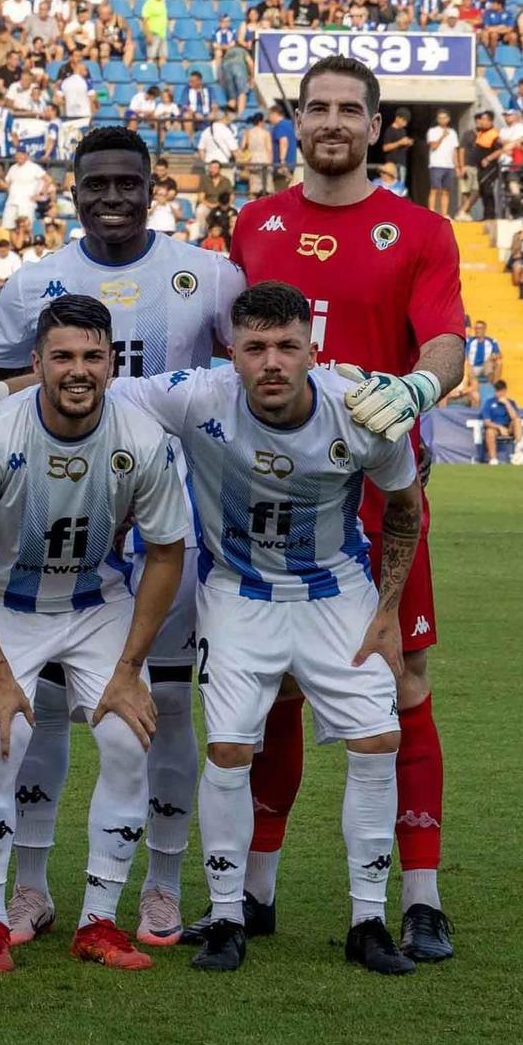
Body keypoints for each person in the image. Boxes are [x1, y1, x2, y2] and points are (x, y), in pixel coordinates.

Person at [0, 125, 243, 948]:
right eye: (96, 184)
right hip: (43, 538)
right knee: (31, 718)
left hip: (164, 533)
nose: (112, 197)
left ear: (155, 186)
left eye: (129, 182)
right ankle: (31, 890)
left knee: (167, 713)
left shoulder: (209, 275)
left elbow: (247, 373)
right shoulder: (36, 281)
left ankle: (159, 887)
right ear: (70, 190)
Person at [93, 282, 423, 974]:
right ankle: (225, 915)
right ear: (232, 353)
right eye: (255, 347)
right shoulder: (196, 394)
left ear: (313, 349)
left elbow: (403, 506)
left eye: (286, 346)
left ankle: (368, 918)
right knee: (231, 749)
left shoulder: (359, 411)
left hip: (336, 591)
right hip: (239, 592)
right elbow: (91, 388)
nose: (271, 361)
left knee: (377, 739)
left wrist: (389, 608)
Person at [220, 54, 466, 963]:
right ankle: (255, 890)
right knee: (269, 688)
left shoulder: (419, 231)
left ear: (374, 126)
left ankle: (422, 898)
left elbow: (446, 341)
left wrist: (413, 390)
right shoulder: (254, 223)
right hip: (274, 503)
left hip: (379, 498)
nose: (330, 121)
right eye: (316, 107)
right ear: (299, 123)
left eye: (348, 110)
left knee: (404, 686)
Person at [0, 294, 189, 974]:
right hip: (6, 604)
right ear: (37, 363)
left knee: (127, 737)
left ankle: (99, 921)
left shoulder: (141, 438)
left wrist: (131, 668)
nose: (79, 370)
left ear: (112, 362)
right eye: (64, 356)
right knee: (1, 737)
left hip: (94, 599)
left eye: (92, 357)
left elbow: (166, 553)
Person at [479, 380, 520, 464]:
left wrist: (507, 404)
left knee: (517, 420)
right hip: (495, 428)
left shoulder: (511, 402)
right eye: (497, 391)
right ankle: (493, 459)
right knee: (489, 431)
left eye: (501, 391)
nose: (499, 393)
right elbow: (486, 422)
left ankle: (519, 450)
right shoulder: (489, 403)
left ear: (505, 391)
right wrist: (499, 427)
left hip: (509, 427)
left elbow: (514, 417)